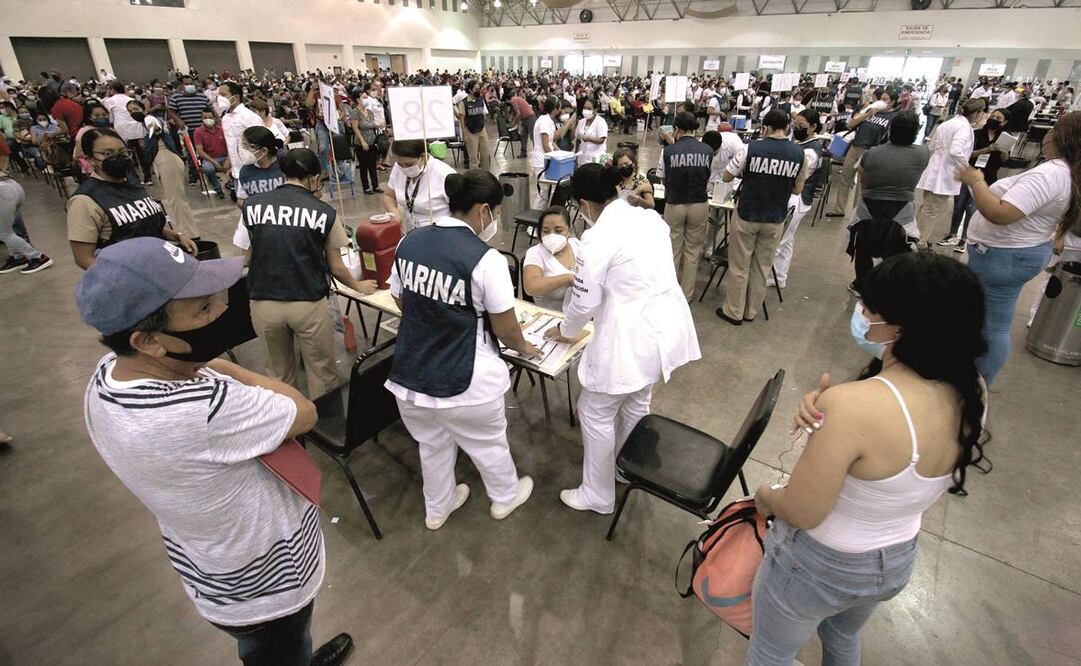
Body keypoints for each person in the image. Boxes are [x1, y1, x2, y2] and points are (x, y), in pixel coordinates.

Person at [75, 237, 354, 666]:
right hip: (265, 584)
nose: (222, 313)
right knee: (282, 650)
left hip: (211, 567)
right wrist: (225, 367)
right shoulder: (202, 410)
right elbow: (303, 412)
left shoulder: (107, 377)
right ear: (149, 341)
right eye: (203, 309)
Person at [749, 251, 990, 666]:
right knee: (842, 635)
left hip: (822, 564)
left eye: (868, 308)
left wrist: (766, 495)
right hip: (894, 559)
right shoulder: (971, 391)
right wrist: (830, 409)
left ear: (902, 325)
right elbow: (879, 439)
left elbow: (803, 512)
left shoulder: (855, 406)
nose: (859, 314)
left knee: (770, 653)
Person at [385, 169, 538, 530]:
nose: (495, 219)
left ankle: (437, 508)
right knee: (488, 445)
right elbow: (506, 330)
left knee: (432, 445)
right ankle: (504, 497)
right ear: (484, 210)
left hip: (410, 378)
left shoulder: (410, 241)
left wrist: (436, 317)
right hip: (466, 381)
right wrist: (527, 347)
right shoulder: (487, 260)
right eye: (496, 212)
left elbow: (399, 297)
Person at [544, 163, 700, 514]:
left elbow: (584, 301)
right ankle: (627, 468)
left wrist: (565, 331)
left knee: (594, 411)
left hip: (628, 336)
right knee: (637, 402)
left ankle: (597, 495)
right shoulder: (649, 218)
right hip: (660, 330)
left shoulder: (597, 238)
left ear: (584, 204)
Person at [957, 111, 1079, 385]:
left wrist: (976, 182)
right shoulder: (1065, 173)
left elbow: (1000, 213)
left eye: (1054, 129)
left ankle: (978, 384)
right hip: (1017, 251)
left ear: (1063, 138)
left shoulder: (1049, 175)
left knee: (992, 325)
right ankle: (974, 376)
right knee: (992, 320)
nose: (1046, 134)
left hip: (1004, 256)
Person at [243, 148, 376, 399]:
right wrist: (359, 287)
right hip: (308, 303)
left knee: (278, 374)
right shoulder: (324, 212)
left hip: (263, 302)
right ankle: (324, 426)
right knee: (322, 373)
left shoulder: (252, 206)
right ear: (314, 178)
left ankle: (289, 430)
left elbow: (246, 255)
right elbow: (336, 265)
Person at [717, 109, 807, 326]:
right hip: (775, 217)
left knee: (740, 265)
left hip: (748, 214)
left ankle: (734, 311)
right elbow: (797, 190)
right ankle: (751, 311)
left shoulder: (750, 149)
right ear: (787, 128)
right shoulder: (799, 154)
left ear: (765, 127)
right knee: (762, 266)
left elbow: (727, 175)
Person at [67, 128, 196, 269]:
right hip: (126, 277)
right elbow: (83, 258)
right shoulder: (84, 201)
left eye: (122, 152)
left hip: (159, 267)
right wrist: (122, 279)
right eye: (107, 153)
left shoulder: (133, 184)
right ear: (90, 159)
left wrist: (177, 236)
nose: (117, 158)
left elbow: (148, 226)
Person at [846, 110, 928, 286]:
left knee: (863, 250)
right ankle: (887, 285)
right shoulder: (923, 154)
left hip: (869, 207)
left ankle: (862, 284)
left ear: (890, 129)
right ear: (915, 132)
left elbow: (863, 178)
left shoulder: (872, 153)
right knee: (897, 253)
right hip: (901, 212)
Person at [939, 107, 1011, 253]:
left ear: (1004, 123)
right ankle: (952, 233)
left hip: (987, 177)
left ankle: (964, 239)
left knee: (972, 209)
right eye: (993, 116)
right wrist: (986, 150)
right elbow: (967, 154)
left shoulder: (1004, 139)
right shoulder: (976, 134)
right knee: (959, 205)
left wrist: (1002, 150)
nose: (994, 120)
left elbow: (1005, 160)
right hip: (970, 173)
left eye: (998, 119)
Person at [659, 111, 713, 300]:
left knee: (672, 249)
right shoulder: (707, 150)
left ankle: (669, 294)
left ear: (677, 129)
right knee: (692, 251)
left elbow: (664, 179)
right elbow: (707, 175)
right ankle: (687, 295)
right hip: (699, 203)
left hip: (675, 203)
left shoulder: (668, 151)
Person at [914, 98, 985, 243]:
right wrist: (967, 168)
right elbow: (955, 150)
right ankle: (919, 242)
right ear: (977, 113)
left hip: (934, 172)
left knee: (927, 208)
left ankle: (917, 239)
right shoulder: (964, 128)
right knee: (931, 211)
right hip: (944, 176)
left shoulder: (947, 123)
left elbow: (931, 147)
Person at [771, 109, 825, 289]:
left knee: (780, 240)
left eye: (801, 126)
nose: (797, 128)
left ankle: (767, 274)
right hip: (793, 195)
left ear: (813, 127)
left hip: (798, 198)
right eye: (795, 124)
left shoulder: (812, 151)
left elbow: (797, 175)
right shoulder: (799, 143)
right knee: (788, 240)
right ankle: (779, 277)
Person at [826, 87, 899, 217]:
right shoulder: (869, 110)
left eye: (885, 99)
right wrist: (867, 114)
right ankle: (839, 209)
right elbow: (851, 124)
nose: (881, 101)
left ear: (892, 102)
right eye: (880, 98)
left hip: (870, 151)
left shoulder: (892, 117)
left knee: (862, 185)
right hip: (855, 146)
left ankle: (857, 212)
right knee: (845, 179)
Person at [231, 126, 287, 250]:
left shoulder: (285, 167)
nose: (243, 150)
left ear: (263, 151)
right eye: (243, 145)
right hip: (259, 226)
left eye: (247, 146)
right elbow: (241, 199)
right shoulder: (245, 171)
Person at [383, 139, 456, 232]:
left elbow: (464, 213)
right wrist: (393, 211)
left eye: (408, 164)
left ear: (423, 157)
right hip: (410, 231)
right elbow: (388, 195)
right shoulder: (398, 168)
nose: (404, 169)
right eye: (400, 164)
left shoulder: (444, 174)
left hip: (440, 233)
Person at [522, 206, 581, 311]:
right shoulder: (536, 253)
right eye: (546, 231)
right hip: (551, 315)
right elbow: (530, 287)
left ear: (569, 229)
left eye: (558, 231)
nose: (552, 235)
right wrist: (568, 278)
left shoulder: (576, 245)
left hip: (579, 312)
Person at [0, 165, 52, 274]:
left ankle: (38, 257)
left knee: (4, 233)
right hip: (11, 184)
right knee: (9, 228)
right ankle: (18, 256)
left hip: (3, 191)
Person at [102, 81, 153, 185]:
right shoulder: (131, 99)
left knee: (127, 155)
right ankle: (148, 178)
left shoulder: (109, 101)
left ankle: (134, 179)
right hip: (136, 128)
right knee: (142, 154)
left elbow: (110, 117)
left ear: (112, 89)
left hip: (122, 130)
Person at [218, 80, 263, 186]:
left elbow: (261, 143)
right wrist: (231, 163)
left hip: (253, 171)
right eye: (219, 95)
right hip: (237, 171)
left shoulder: (249, 116)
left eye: (223, 95)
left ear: (236, 97)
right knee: (241, 201)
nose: (220, 98)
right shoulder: (225, 118)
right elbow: (231, 143)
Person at [530, 98, 561, 209]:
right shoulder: (544, 120)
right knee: (543, 192)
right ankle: (532, 223)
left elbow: (552, 141)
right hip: (541, 160)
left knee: (548, 191)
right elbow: (545, 145)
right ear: (555, 109)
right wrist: (557, 157)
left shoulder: (549, 121)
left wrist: (561, 152)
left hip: (547, 159)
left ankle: (543, 217)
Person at [350, 92, 382, 195]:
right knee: (364, 166)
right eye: (364, 97)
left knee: (373, 164)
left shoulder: (369, 112)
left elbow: (372, 124)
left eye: (366, 97)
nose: (366, 99)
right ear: (358, 100)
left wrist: (378, 126)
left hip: (372, 141)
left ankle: (375, 185)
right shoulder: (355, 112)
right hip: (361, 143)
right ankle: (366, 186)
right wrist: (362, 141)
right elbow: (355, 128)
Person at [194, 109, 230, 197]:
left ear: (214, 117)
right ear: (201, 118)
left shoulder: (222, 130)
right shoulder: (198, 132)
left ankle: (233, 186)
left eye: (210, 117)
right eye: (205, 117)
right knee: (208, 169)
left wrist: (228, 160)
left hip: (225, 156)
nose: (208, 119)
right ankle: (218, 189)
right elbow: (200, 151)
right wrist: (214, 162)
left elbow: (230, 146)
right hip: (209, 159)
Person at [457, 79, 491, 172]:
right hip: (470, 132)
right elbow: (462, 119)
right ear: (470, 90)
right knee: (473, 157)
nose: (478, 91)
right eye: (476, 89)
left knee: (486, 154)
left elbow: (484, 113)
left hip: (482, 129)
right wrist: (464, 134)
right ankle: (475, 178)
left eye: (479, 89)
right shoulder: (463, 102)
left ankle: (487, 175)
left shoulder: (480, 99)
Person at [575, 97, 608, 166]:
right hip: (582, 157)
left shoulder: (600, 122)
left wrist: (589, 138)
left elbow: (602, 139)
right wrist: (575, 155)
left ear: (595, 110)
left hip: (596, 159)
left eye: (589, 108)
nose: (586, 110)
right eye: (585, 108)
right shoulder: (581, 122)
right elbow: (577, 139)